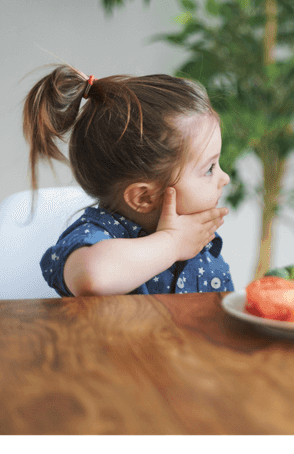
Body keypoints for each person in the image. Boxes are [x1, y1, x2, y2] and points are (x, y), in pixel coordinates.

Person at [23, 66, 233, 297]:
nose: (225, 178)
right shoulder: (98, 234)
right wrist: (172, 243)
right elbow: (92, 276)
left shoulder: (198, 241)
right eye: (210, 169)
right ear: (144, 197)